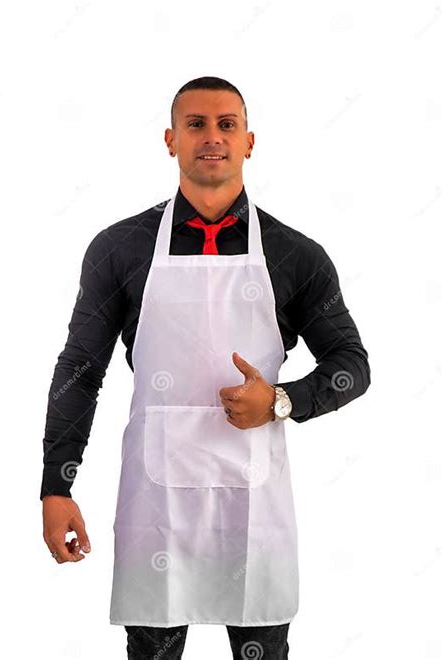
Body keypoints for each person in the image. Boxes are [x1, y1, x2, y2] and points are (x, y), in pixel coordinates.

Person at [41, 76, 371, 659]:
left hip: (255, 500)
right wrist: (56, 485)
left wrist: (280, 401)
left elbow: (352, 363)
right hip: (155, 502)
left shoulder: (296, 254)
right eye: (196, 124)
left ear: (249, 141)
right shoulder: (122, 247)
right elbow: (80, 368)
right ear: (170, 139)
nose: (212, 137)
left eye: (227, 124)